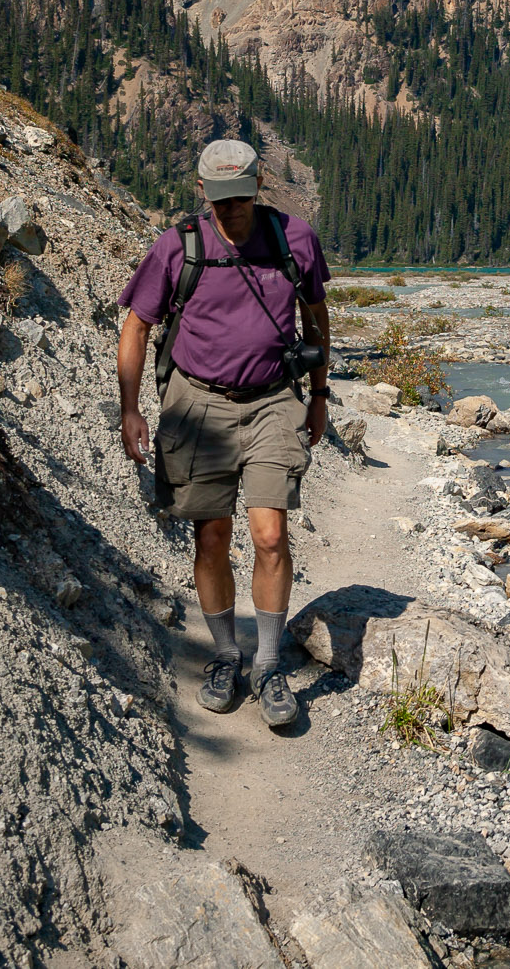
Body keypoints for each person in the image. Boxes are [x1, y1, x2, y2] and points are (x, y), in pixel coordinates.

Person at [115, 139, 331, 728]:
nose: (231, 211)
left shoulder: (295, 240)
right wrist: (131, 408)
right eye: (220, 200)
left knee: (269, 534)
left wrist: (320, 395)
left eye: (241, 198)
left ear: (259, 186)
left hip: (271, 402)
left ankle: (267, 664)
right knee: (211, 537)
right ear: (202, 191)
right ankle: (225, 654)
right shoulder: (178, 246)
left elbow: (315, 317)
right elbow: (136, 327)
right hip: (198, 402)